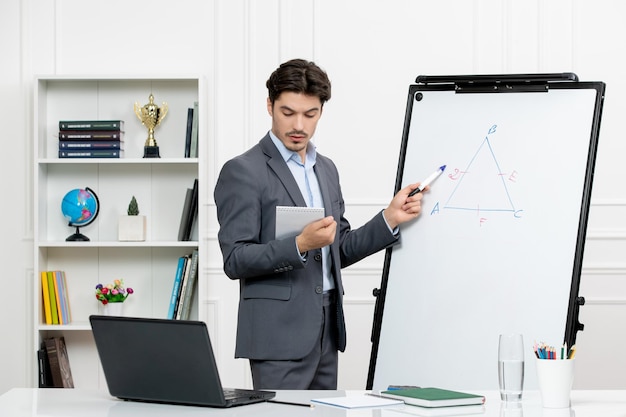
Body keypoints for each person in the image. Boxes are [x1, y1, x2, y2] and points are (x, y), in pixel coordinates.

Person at [214, 58, 426, 390]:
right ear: (269, 105)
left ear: (321, 111)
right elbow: (235, 259)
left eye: (310, 114)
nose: (299, 124)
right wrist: (299, 245)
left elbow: (338, 249)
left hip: (327, 330)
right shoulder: (243, 171)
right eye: (288, 112)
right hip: (278, 338)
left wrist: (390, 217)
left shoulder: (325, 169)